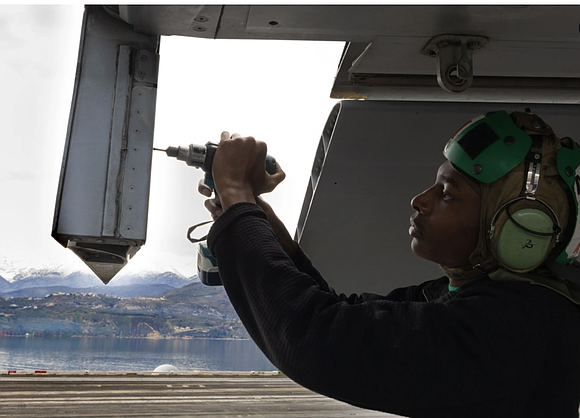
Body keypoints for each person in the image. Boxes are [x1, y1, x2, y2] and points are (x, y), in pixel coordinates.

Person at [198, 110, 580, 418]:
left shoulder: (512, 329)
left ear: (517, 231)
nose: (420, 199)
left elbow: (318, 340)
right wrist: (257, 218)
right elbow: (344, 314)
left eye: (447, 194)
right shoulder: (483, 301)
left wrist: (235, 193)